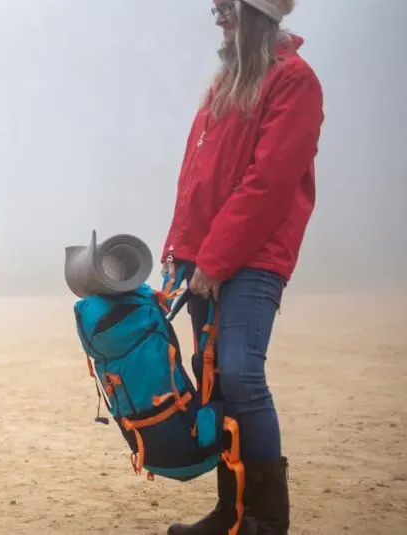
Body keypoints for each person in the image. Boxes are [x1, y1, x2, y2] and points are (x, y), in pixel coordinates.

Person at [161, 1, 323, 534]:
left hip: (255, 257)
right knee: (215, 383)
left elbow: (268, 182)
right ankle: (229, 513)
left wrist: (216, 257)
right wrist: (179, 252)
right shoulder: (226, 83)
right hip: (205, 257)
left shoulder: (295, 82)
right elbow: (197, 177)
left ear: (255, 12)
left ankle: (267, 518)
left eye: (226, 6)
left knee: (241, 373)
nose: (217, 17)